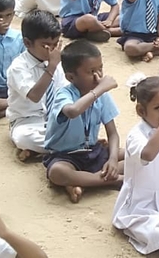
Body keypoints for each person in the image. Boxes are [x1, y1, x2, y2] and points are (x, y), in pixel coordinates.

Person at [113, 75, 159, 254]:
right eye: (158, 108)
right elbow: (148, 154)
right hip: (141, 205)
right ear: (141, 111)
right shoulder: (136, 135)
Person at [44, 40, 122, 203]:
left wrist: (113, 159)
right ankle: (109, 180)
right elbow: (72, 111)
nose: (98, 76)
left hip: (93, 151)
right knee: (57, 172)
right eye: (91, 71)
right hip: (66, 156)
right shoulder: (64, 94)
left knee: (136, 156)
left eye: (100, 68)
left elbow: (113, 133)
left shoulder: (102, 96)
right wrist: (99, 90)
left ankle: (83, 182)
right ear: (71, 77)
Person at [6, 11, 64, 160]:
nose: (51, 50)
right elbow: (34, 96)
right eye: (45, 45)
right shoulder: (18, 67)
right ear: (27, 43)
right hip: (28, 122)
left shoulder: (57, 61)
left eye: (55, 44)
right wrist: (51, 68)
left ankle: (43, 151)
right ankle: (72, 148)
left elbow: (65, 91)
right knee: (23, 138)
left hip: (55, 119)